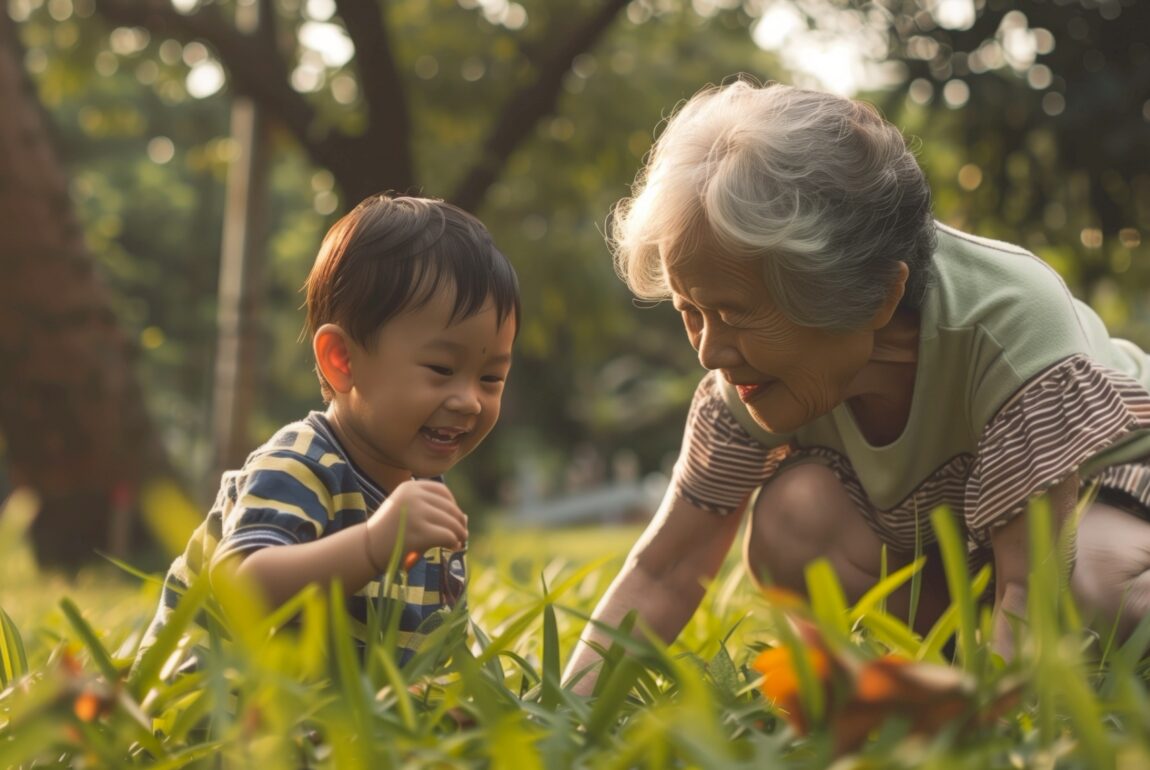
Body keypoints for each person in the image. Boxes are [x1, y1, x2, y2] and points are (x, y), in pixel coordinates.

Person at [564, 80, 1150, 690]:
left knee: (1091, 588)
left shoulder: (1009, 319)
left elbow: (1033, 589)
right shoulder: (749, 372)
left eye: (735, 313)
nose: (710, 352)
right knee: (794, 518)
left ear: (877, 296)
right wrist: (566, 710)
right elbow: (663, 571)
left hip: (1112, 491)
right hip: (961, 539)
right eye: (691, 311)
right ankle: (939, 672)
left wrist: (983, 730)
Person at [138, 194, 519, 668]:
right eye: (441, 368)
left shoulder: (424, 501)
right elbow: (244, 587)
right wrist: (374, 544)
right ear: (342, 360)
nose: (469, 400)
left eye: (491, 378)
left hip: (330, 711)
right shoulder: (300, 465)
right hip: (218, 701)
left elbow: (425, 650)